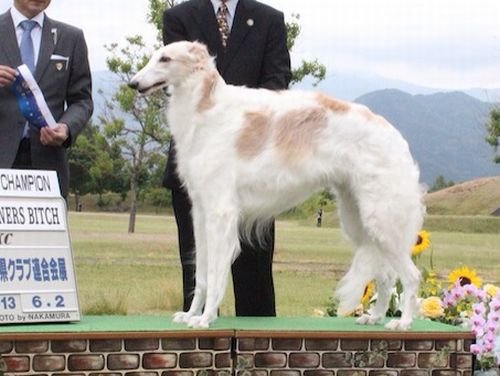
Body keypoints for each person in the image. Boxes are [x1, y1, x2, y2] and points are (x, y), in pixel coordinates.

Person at [162, 0, 291, 315]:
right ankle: (200, 350)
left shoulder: (269, 19)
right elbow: (182, 82)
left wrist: (236, 121)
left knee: (255, 271)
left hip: (253, 165)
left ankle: (260, 354)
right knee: (199, 264)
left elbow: (277, 84)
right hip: (198, 163)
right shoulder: (177, 17)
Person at [0, 0, 93, 198]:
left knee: (45, 231)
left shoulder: (71, 38)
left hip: (49, 165)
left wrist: (66, 128)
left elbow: (82, 100)